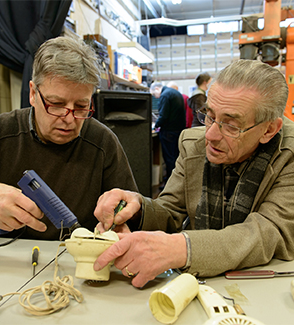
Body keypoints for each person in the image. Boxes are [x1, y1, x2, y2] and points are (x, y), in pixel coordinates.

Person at [92, 59, 294, 288]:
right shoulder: (194, 145)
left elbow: (269, 233)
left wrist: (181, 249)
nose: (210, 135)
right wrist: (137, 208)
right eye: (210, 116)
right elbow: (171, 211)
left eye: (230, 125)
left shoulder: (289, 155)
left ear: (269, 130)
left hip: (267, 287)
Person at [0, 36, 137, 240]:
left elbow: (132, 210)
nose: (68, 119)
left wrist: (122, 225)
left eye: (81, 107)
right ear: (32, 93)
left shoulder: (103, 143)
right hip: (3, 261)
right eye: (56, 104)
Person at [150, 82, 186, 182]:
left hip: (169, 132)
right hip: (178, 130)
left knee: (169, 158)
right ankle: (175, 182)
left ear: (157, 88)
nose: (155, 97)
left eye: (154, 94)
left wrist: (155, 126)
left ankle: (170, 183)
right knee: (175, 158)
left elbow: (163, 116)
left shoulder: (165, 95)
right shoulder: (174, 92)